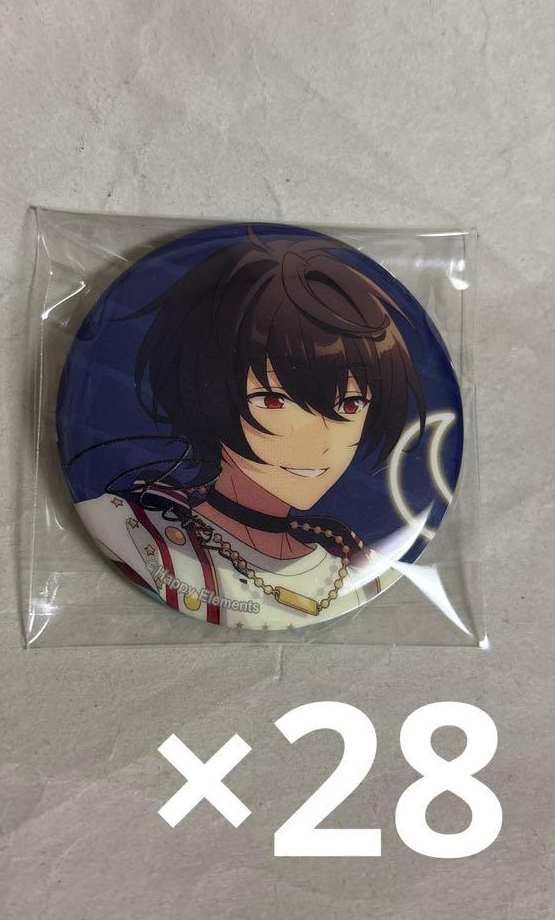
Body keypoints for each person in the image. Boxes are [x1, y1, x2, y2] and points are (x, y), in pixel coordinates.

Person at [73, 228, 426, 629]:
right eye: (273, 401)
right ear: (206, 392)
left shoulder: (357, 562)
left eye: (349, 404)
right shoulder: (132, 531)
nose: (319, 443)